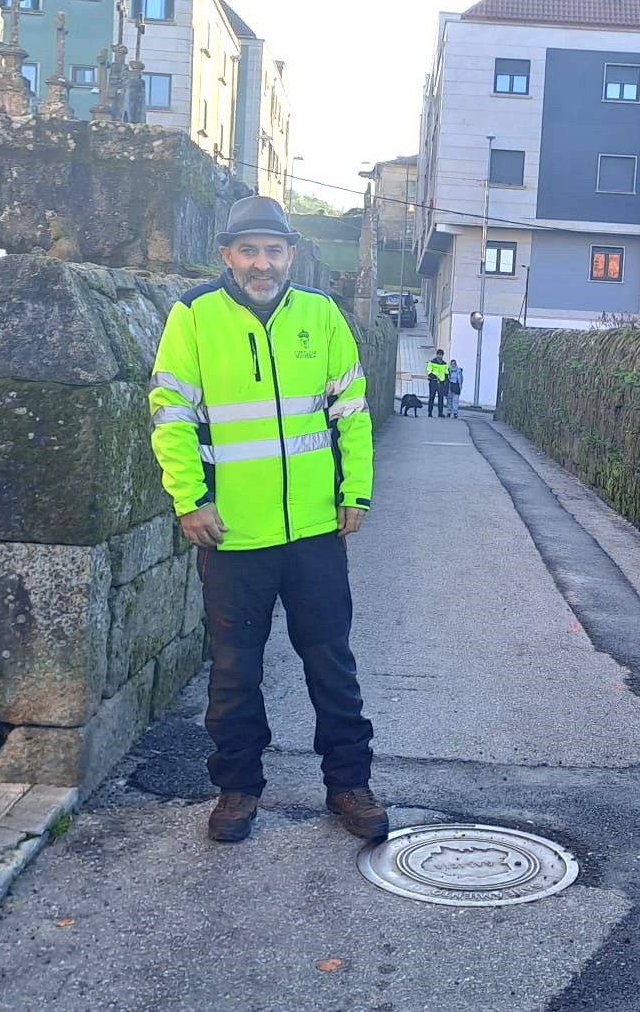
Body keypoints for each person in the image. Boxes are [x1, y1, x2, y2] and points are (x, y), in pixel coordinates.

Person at [147, 195, 386, 845]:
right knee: (233, 672)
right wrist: (190, 499)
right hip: (232, 535)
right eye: (248, 250)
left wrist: (354, 490)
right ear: (226, 255)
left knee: (331, 664)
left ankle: (348, 784)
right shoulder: (194, 315)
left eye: (273, 250)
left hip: (314, 532)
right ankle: (237, 788)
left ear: (290, 254)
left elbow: (352, 412)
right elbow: (172, 415)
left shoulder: (320, 314)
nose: (262, 262)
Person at [426, 349, 449, 418]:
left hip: (441, 383)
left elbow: (446, 373)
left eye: (441, 355)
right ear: (437, 355)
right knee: (431, 397)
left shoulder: (444, 364)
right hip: (433, 382)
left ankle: (440, 413)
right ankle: (430, 412)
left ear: (442, 355)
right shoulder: (432, 362)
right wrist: (435, 377)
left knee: (441, 398)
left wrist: (445, 381)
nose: (440, 356)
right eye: (439, 354)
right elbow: (429, 372)